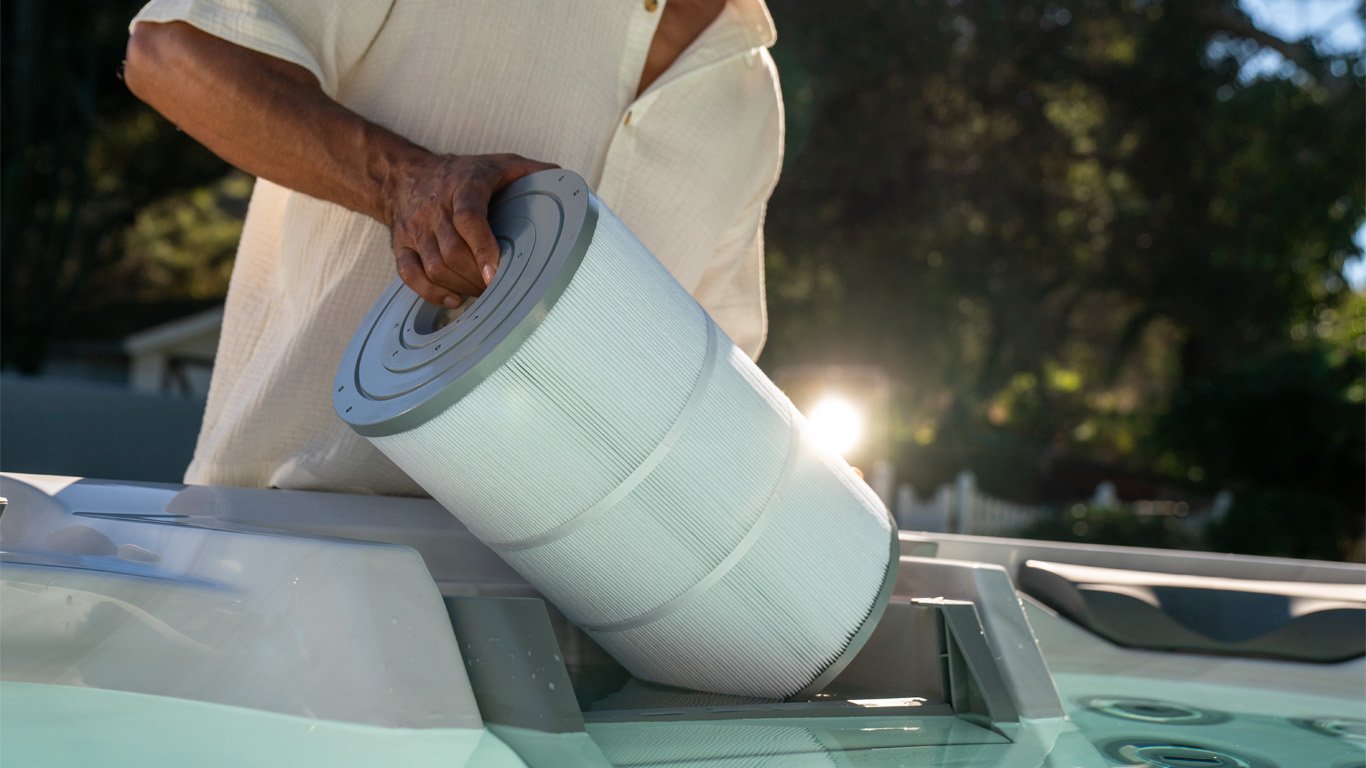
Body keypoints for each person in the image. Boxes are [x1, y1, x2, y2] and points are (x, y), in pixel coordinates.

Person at [124, 0, 784, 495]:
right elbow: (173, 53)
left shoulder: (751, 97)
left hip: (546, 615)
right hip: (286, 547)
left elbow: (702, 391)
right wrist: (402, 183)